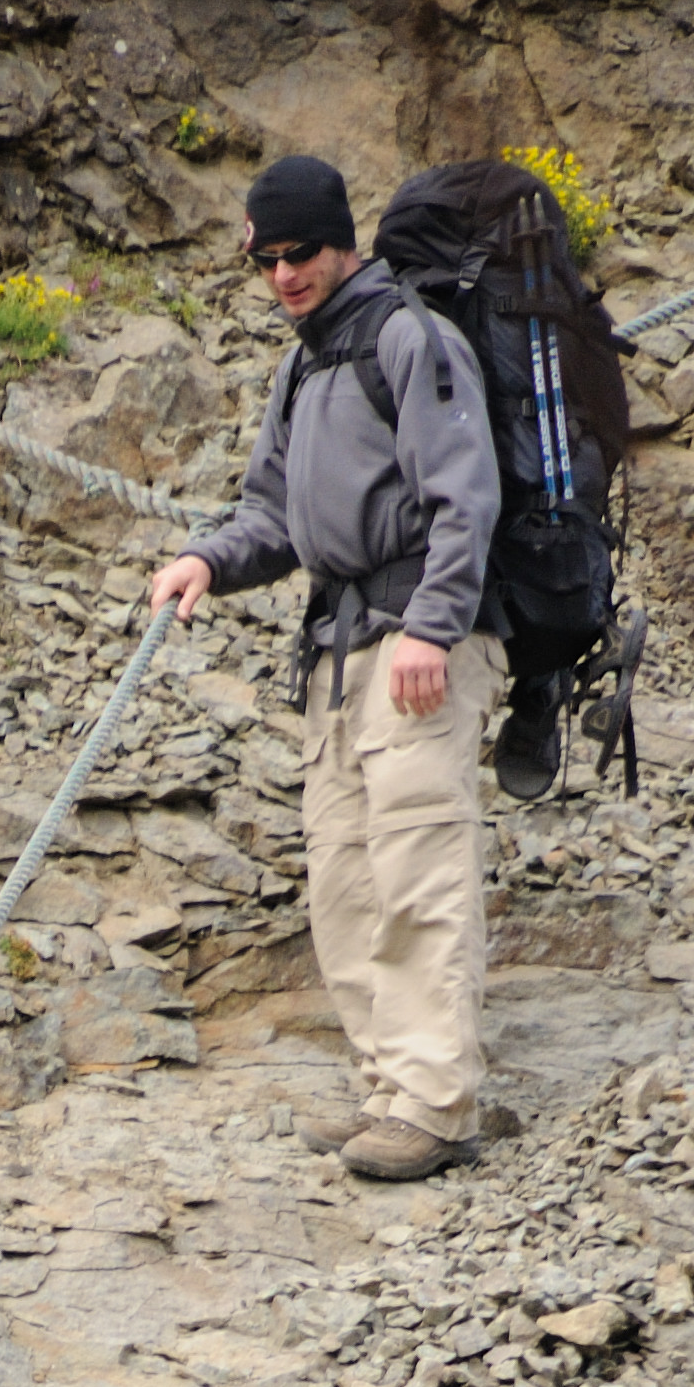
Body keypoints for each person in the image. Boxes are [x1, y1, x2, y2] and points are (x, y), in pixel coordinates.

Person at [149, 153, 504, 1186]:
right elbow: (271, 513)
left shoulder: (410, 339)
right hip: (339, 649)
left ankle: (436, 1104)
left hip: (416, 643)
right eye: (265, 259)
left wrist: (433, 628)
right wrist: (207, 559)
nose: (283, 275)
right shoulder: (303, 367)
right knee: (345, 877)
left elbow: (465, 496)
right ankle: (387, 1089)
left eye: (299, 252)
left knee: (418, 864)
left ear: (342, 241)